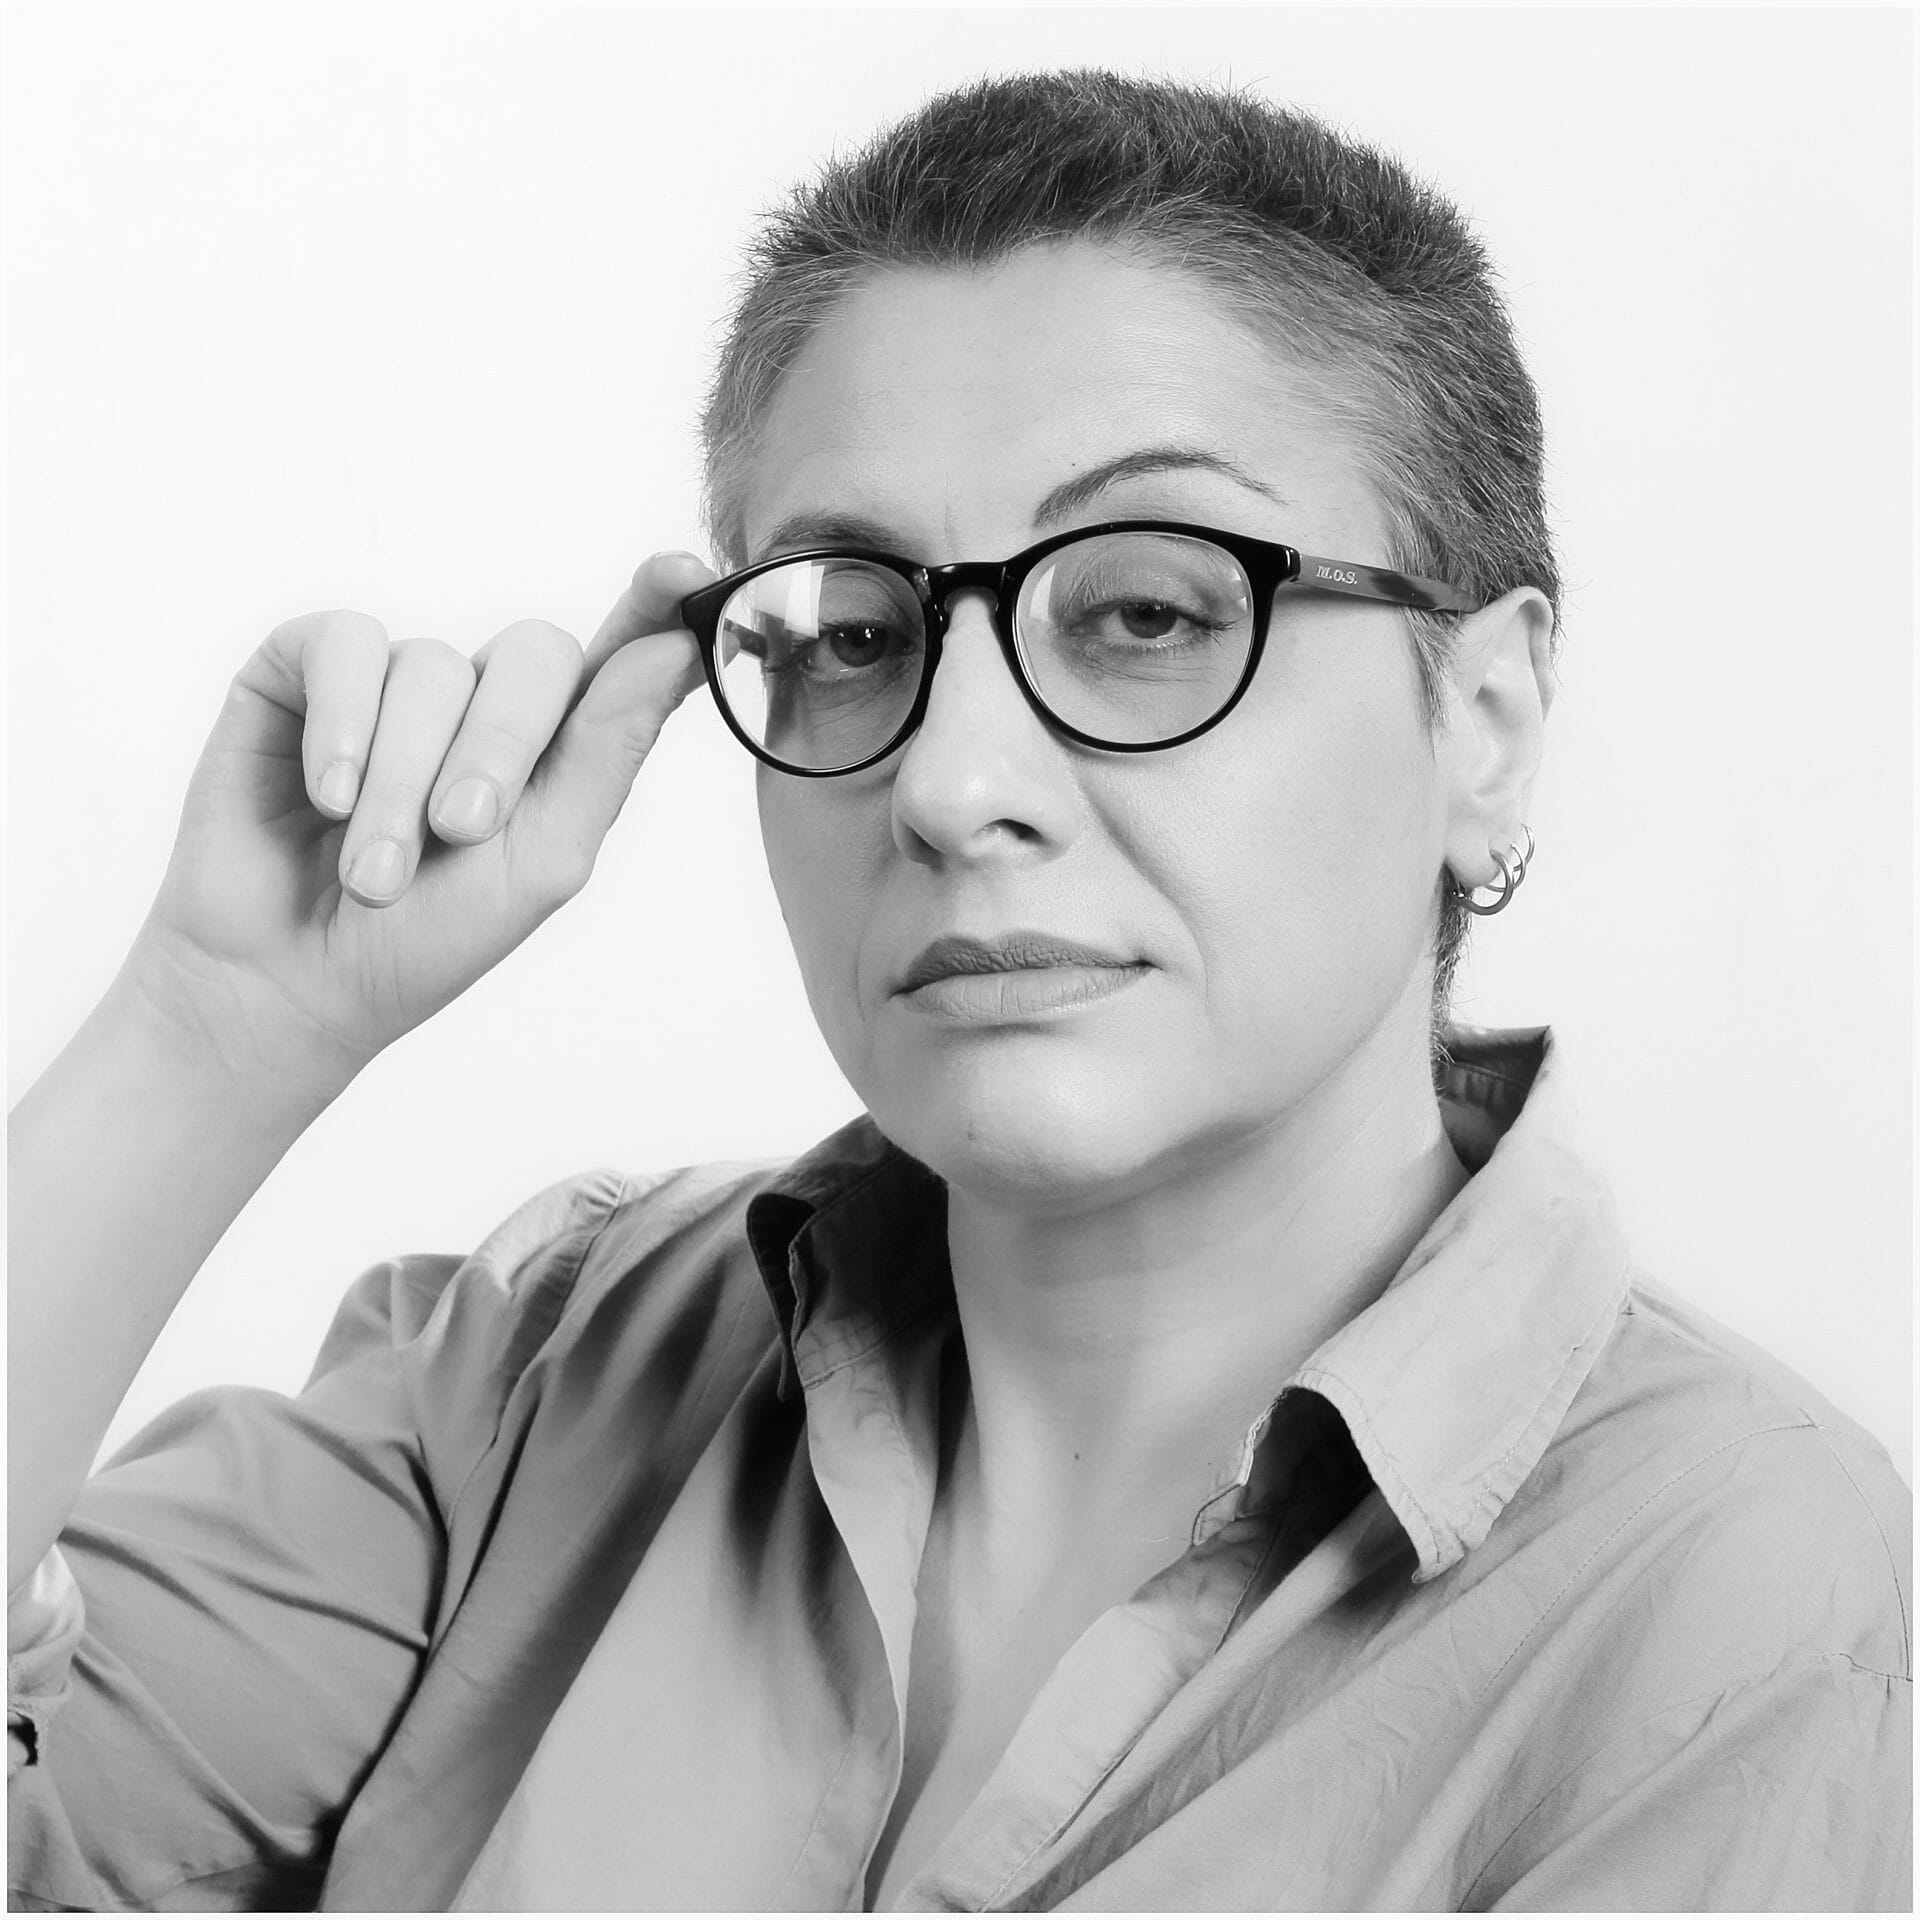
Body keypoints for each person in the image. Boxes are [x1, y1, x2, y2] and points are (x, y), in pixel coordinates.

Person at [7, 69, 1909, 1913]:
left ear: (1482, 721)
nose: (949, 780)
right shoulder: (550, 1367)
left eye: (1148, 612)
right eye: (853, 635)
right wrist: (210, 1038)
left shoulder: (1741, 1613)